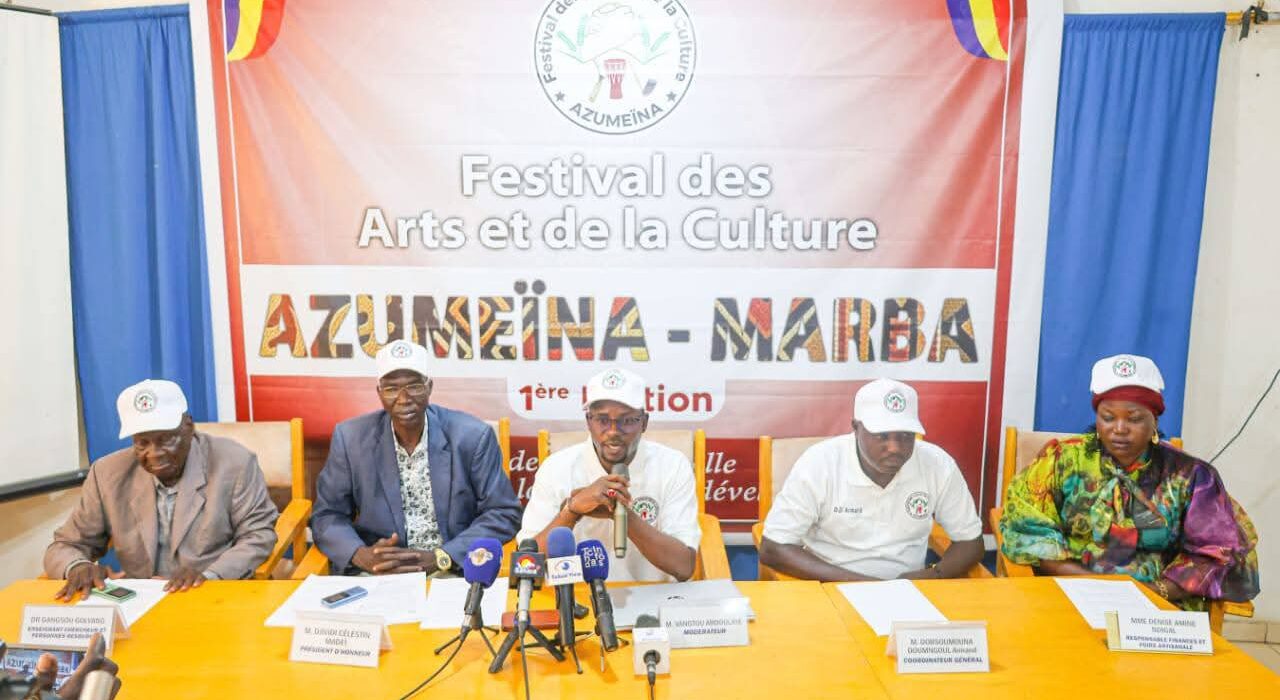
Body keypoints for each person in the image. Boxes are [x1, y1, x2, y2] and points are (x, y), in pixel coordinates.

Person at [999, 354, 1259, 609]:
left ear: (1155, 420)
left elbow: (1219, 553)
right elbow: (1026, 527)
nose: (1120, 428)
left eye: (1134, 419)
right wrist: (1097, 588)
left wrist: (1152, 592)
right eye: (1108, 417)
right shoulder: (1061, 461)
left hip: (1156, 605)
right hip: (1068, 594)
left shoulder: (1191, 476)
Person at [45, 380, 278, 600]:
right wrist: (77, 566)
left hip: (212, 596)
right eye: (142, 443)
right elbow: (65, 545)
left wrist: (209, 576)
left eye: (166, 439)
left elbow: (258, 535)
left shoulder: (234, 463)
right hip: (140, 601)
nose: (154, 453)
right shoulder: (107, 473)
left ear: (188, 427)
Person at [312, 340, 521, 575]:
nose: (403, 399)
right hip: (378, 570)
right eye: (391, 389)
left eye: (414, 386)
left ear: (429, 387)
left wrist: (445, 556)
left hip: (453, 570)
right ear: (379, 392)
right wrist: (360, 555)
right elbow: (327, 515)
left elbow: (503, 512)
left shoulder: (472, 436)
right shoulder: (351, 438)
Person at [759, 378, 984, 581]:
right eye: (881, 436)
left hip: (908, 591)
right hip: (829, 586)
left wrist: (932, 575)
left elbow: (971, 542)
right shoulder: (820, 463)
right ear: (856, 428)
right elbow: (774, 547)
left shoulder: (937, 464)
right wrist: (866, 585)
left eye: (905, 435)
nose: (894, 447)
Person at [517, 368, 700, 582]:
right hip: (574, 596)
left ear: (644, 422)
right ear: (588, 421)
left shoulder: (673, 465)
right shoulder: (556, 467)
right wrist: (572, 510)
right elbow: (526, 563)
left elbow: (683, 566)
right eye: (602, 420)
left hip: (652, 596)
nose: (613, 431)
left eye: (627, 420)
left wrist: (623, 515)